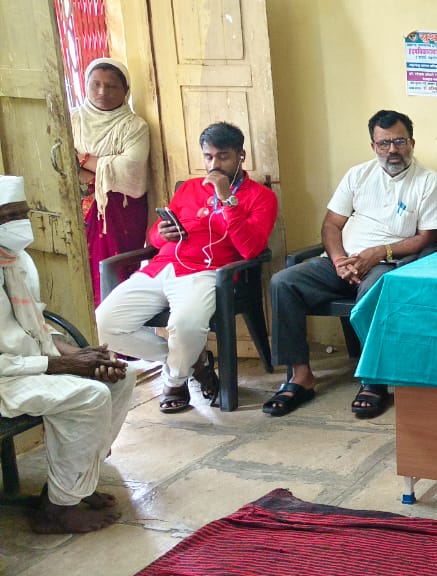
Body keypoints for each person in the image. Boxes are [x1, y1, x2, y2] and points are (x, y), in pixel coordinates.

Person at [268, 110, 437, 418]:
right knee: (283, 282)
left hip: (389, 263)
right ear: (373, 145)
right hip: (341, 261)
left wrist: (378, 253)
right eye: (384, 143)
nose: (392, 150)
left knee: (374, 287)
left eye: (399, 141)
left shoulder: (428, 181)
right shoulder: (358, 175)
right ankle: (300, 375)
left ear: (412, 143)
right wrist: (339, 260)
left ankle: (373, 379)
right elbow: (331, 225)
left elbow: (427, 237)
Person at [96, 122, 277, 414]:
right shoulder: (190, 188)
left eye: (223, 156)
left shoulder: (260, 196)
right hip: (161, 267)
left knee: (186, 326)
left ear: (241, 155)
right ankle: (196, 363)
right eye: (209, 156)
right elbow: (154, 237)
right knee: (104, 324)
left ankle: (174, 381)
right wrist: (161, 234)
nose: (214, 164)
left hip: (207, 271)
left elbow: (251, 249)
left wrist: (227, 200)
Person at [0, 175, 132, 534]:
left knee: (121, 377)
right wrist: (64, 364)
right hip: (7, 378)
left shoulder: (17, 260)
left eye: (21, 213)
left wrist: (83, 354)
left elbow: (36, 325)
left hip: (32, 365)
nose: (18, 224)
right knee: (89, 396)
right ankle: (57, 513)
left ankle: (72, 485)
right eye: (6, 216)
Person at [72, 58, 150, 305]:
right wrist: (97, 168)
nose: (102, 92)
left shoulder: (133, 127)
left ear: (125, 91)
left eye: (112, 86)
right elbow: (56, 159)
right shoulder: (71, 120)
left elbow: (130, 168)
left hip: (119, 213)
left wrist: (82, 159)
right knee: (75, 274)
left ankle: (115, 323)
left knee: (115, 278)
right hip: (76, 207)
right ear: (85, 85)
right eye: (95, 84)